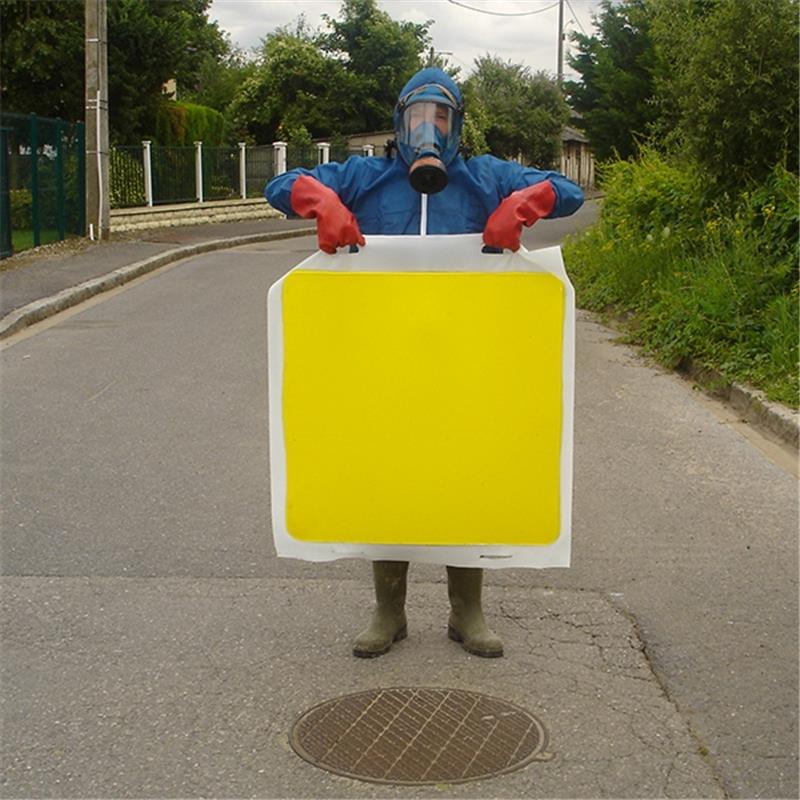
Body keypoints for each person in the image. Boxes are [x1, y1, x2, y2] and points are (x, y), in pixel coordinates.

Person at [266, 67, 583, 660]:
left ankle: (468, 610)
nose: (428, 130)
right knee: (391, 469)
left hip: (467, 357)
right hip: (383, 357)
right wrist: (320, 199)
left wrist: (525, 201)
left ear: (458, 124)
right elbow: (281, 184)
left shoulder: (485, 176)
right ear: (399, 123)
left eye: (441, 117)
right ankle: (389, 611)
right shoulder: (366, 176)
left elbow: (568, 190)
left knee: (466, 469)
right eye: (418, 117)